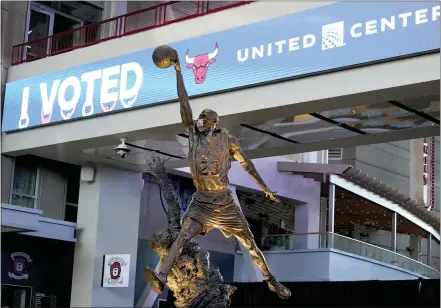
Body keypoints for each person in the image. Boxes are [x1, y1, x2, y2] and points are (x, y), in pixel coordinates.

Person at [145, 50, 291, 300]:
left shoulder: (228, 140)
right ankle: (161, 275)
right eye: (199, 117)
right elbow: (183, 102)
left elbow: (248, 165)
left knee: (250, 244)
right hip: (201, 201)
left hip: (223, 203)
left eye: (205, 117)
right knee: (181, 236)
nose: (200, 120)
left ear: (214, 122)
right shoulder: (193, 135)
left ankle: (271, 280)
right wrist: (179, 71)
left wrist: (264, 187)